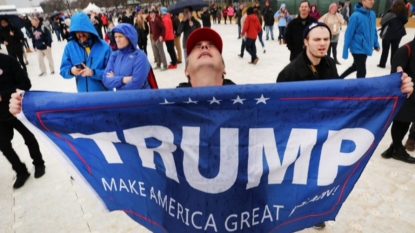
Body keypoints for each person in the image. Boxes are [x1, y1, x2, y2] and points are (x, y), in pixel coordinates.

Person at [277, 22, 413, 229]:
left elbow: (343, 97)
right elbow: (279, 113)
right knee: (299, 178)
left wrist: (394, 87)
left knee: (321, 176)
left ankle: (315, 211)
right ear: (305, 42)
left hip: (326, 134)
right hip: (300, 138)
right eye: (317, 39)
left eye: (325, 39)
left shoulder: (330, 64)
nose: (323, 44)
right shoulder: (288, 74)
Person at [0, 53, 45, 189]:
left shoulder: (8, 60)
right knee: (4, 146)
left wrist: (3, 95)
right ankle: (21, 171)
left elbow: (25, 84)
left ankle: (38, 163)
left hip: (17, 109)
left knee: (29, 137)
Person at [381, 36, 415, 163]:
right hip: (404, 93)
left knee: (406, 121)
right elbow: (395, 74)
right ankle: (399, 150)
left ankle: (393, 148)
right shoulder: (405, 50)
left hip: (413, 95)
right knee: (400, 122)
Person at [60, 12, 111, 92]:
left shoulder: (104, 47)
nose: (80, 34)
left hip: (104, 96)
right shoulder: (70, 47)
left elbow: (112, 73)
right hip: (84, 98)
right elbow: (63, 71)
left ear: (89, 29)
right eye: (77, 31)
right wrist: (71, 71)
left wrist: (93, 72)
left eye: (83, 31)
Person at [103, 23, 151, 90]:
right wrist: (123, 79)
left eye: (120, 36)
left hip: (141, 98)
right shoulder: (114, 55)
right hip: (122, 99)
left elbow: (136, 84)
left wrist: (115, 79)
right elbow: (105, 80)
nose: (117, 40)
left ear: (129, 37)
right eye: (115, 37)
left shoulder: (140, 56)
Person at [341, 0, 380, 78]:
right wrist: (345, 50)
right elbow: (348, 34)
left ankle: (338, 79)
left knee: (355, 66)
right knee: (362, 71)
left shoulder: (372, 14)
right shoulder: (355, 16)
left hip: (366, 47)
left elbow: (373, 30)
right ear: (363, 1)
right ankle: (360, 88)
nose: (372, 2)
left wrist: (376, 44)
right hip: (357, 48)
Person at [378, 0, 408, 68]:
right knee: (395, 50)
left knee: (385, 50)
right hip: (398, 35)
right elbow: (405, 21)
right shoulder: (404, 16)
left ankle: (382, 64)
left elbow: (382, 22)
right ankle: (393, 64)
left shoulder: (390, 14)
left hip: (387, 35)